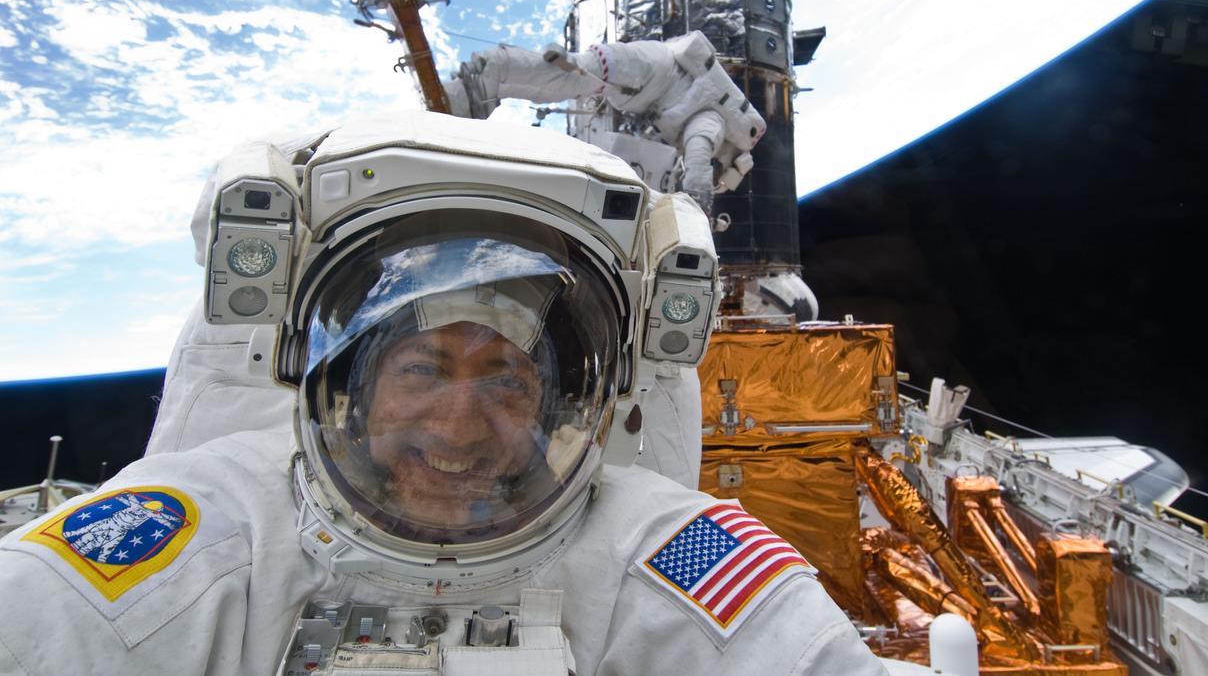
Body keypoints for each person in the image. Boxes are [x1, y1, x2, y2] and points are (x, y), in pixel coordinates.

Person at [0, 112, 887, 676]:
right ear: (347, 383)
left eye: (507, 378)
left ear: (569, 401)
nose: (460, 425)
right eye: (422, 369)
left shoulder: (665, 557)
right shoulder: (203, 536)